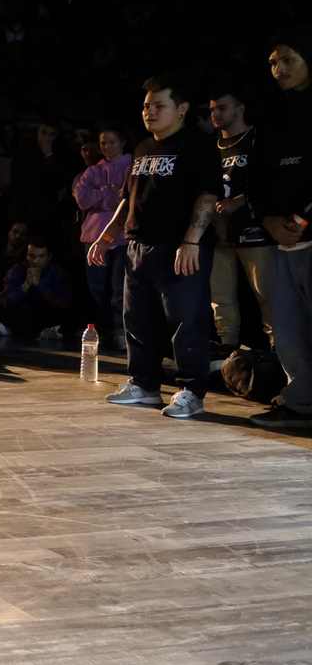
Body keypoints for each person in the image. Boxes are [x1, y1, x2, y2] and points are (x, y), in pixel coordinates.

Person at [89, 75, 221, 419]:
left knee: (186, 320)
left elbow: (208, 196)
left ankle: (192, 391)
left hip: (178, 247)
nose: (149, 111)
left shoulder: (197, 145)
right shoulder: (144, 148)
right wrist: (106, 237)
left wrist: (191, 240)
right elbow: (126, 199)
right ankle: (145, 385)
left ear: (182, 109)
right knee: (138, 318)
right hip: (137, 246)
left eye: (159, 105)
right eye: (146, 105)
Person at [248, 30, 312, 429]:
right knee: (287, 329)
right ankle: (302, 405)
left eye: (288, 59)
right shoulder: (272, 113)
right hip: (280, 240)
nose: (279, 69)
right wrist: (268, 220)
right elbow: (256, 177)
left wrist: (303, 221)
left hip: (307, 233)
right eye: (273, 63)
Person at [208, 85, 274, 350]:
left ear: (240, 108)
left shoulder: (258, 139)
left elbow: (272, 181)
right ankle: (228, 352)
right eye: (212, 109)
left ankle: (277, 352)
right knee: (220, 297)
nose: (215, 114)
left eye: (222, 108)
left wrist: (242, 200)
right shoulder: (211, 147)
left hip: (255, 230)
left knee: (266, 295)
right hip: (219, 232)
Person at [75, 127, 132, 351]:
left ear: (122, 142)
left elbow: (124, 202)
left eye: (111, 142)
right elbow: (82, 198)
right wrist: (108, 191)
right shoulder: (93, 170)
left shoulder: (130, 166)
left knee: (120, 287)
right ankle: (104, 330)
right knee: (97, 288)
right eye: (103, 143)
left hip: (122, 236)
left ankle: (120, 330)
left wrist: (100, 196)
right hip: (94, 235)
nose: (106, 147)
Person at [0, 239, 72, 342]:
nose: (36, 261)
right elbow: (4, 301)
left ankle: (37, 331)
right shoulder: (17, 270)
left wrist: (39, 285)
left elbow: (63, 303)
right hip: (22, 313)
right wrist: (25, 285)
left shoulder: (57, 273)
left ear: (49, 257)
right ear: (26, 256)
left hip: (48, 315)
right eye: (32, 256)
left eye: (41, 256)